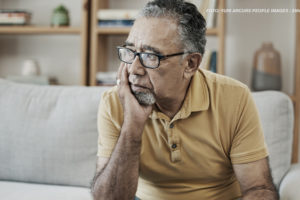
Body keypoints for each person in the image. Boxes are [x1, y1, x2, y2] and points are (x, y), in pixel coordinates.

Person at [91, 0, 278, 199]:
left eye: (150, 56)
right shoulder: (114, 102)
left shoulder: (234, 98)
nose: (134, 70)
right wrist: (132, 126)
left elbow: (259, 189)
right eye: (130, 52)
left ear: (190, 63)